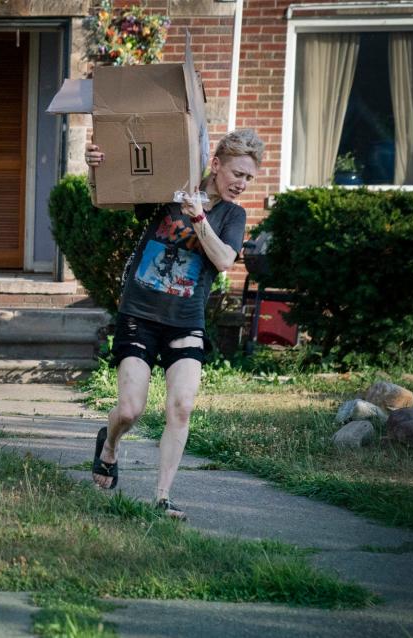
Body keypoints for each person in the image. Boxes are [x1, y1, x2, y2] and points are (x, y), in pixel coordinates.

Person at [85, 128, 264, 520]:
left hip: (185, 321)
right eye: (237, 173)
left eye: (249, 178)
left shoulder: (232, 214)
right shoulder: (170, 187)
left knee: (181, 407)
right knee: (130, 411)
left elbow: (222, 260)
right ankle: (110, 446)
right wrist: (96, 167)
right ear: (215, 164)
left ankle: (162, 497)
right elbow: (111, 196)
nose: (242, 184)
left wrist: (199, 217)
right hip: (140, 314)